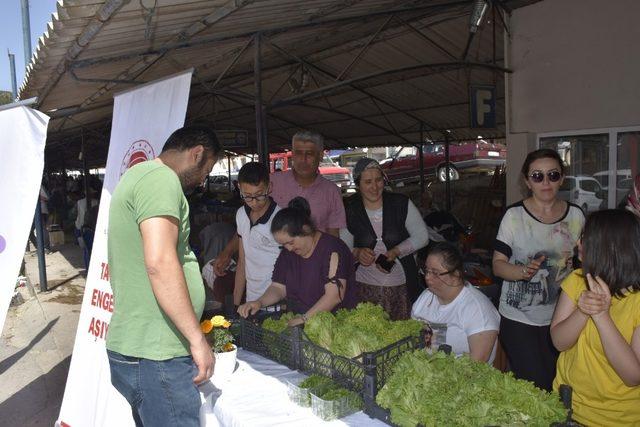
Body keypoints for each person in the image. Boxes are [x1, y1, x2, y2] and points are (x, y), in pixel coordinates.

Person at [106, 125, 221, 427]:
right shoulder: (161, 180)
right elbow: (159, 262)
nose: (201, 182)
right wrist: (197, 340)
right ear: (196, 154)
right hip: (158, 355)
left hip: (141, 351)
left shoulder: (138, 176)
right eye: (205, 172)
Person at [492, 148, 585, 391]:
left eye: (553, 175)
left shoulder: (576, 216)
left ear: (562, 178)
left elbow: (583, 265)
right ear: (527, 181)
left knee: (560, 381)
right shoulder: (514, 216)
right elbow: (498, 264)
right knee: (536, 385)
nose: (546, 182)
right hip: (518, 319)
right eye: (537, 176)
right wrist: (522, 272)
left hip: (563, 317)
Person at [214, 130, 346, 276]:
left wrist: (332, 272)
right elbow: (247, 225)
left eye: (309, 154)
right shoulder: (272, 183)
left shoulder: (331, 191)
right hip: (272, 273)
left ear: (320, 155)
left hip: (313, 270)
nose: (303, 159)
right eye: (298, 153)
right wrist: (227, 252)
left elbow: (334, 239)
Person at [551, 209, 640, 426]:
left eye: (585, 238)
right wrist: (582, 312)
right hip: (566, 408)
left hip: (615, 419)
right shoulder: (577, 280)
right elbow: (559, 342)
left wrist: (601, 315)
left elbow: (633, 376)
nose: (578, 244)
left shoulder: (637, 301)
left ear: (610, 247)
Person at [238, 197, 357, 326]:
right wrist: (259, 302)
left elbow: (334, 296)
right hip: (298, 322)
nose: (288, 248)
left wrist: (304, 319)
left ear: (306, 229)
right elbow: (278, 288)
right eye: (283, 245)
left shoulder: (333, 249)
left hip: (334, 326)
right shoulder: (288, 253)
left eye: (291, 242)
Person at [341, 158, 429, 319]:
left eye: (378, 180)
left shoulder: (401, 204)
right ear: (358, 184)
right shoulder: (350, 208)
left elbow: (422, 236)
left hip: (401, 287)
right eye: (368, 182)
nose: (375, 187)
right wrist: (357, 252)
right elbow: (343, 246)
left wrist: (396, 251)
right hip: (363, 287)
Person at [411, 243, 500, 363]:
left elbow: (477, 364)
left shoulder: (477, 309)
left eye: (435, 273)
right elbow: (412, 338)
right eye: (426, 271)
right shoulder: (425, 298)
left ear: (456, 274)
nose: (427, 277)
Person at [233, 162, 282, 307]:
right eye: (247, 196)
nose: (254, 202)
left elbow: (290, 267)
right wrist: (236, 304)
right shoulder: (241, 214)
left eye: (259, 195)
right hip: (251, 300)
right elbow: (242, 261)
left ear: (269, 188)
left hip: (277, 302)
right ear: (239, 189)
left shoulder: (280, 219)